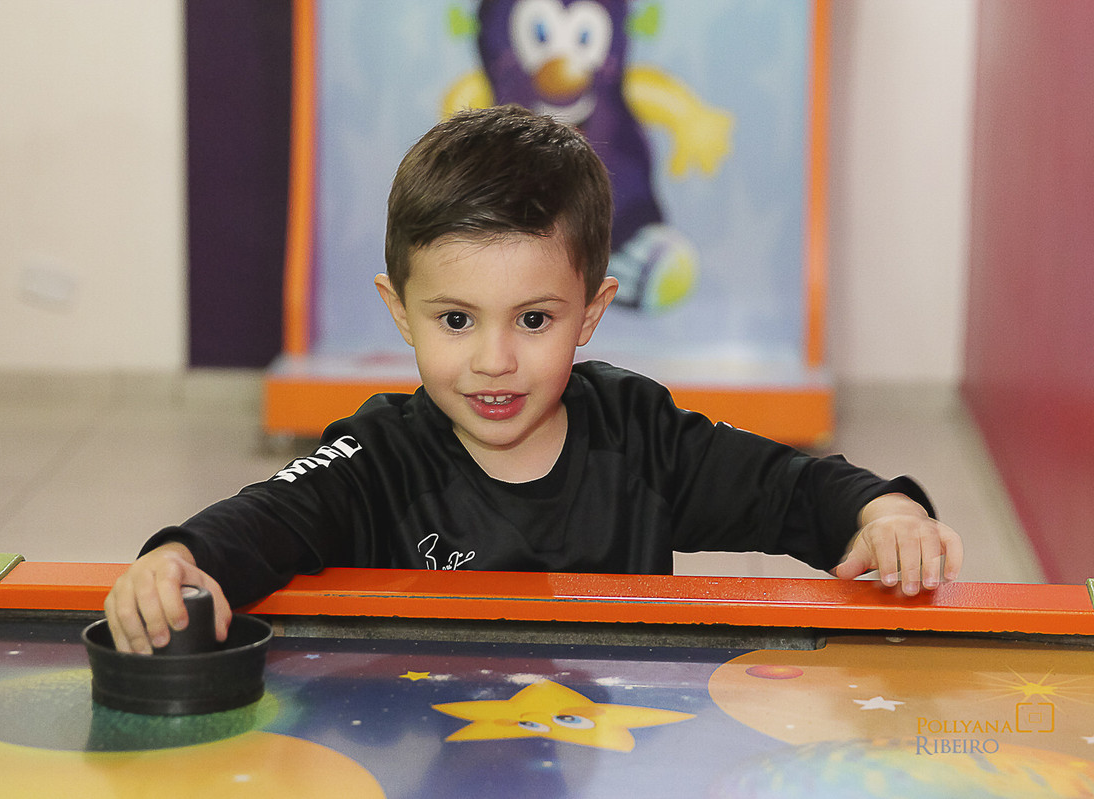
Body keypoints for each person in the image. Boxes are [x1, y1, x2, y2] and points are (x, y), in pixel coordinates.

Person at [105, 105, 963, 654]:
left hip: (616, 750)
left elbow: (786, 487)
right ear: (399, 311)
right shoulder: (377, 456)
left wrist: (883, 512)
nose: (494, 360)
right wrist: (178, 558)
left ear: (590, 312)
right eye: (455, 320)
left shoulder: (640, 433)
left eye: (534, 319)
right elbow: (268, 518)